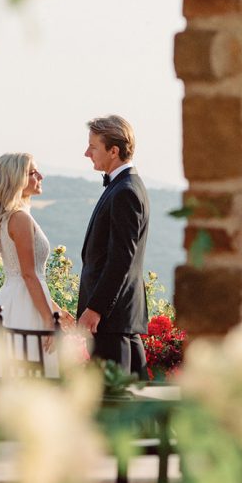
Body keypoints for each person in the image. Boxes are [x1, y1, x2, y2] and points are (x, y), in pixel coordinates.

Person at [0, 152, 72, 377]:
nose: (41, 176)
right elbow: (29, 276)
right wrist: (50, 321)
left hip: (21, 300)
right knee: (27, 373)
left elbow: (31, 277)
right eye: (33, 172)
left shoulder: (15, 216)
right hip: (24, 305)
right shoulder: (19, 218)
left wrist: (56, 310)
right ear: (16, 179)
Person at [77, 115, 150, 376]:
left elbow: (121, 259)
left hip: (111, 321)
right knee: (127, 406)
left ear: (114, 150)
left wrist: (95, 309)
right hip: (118, 321)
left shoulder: (125, 191)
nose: (87, 153)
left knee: (113, 407)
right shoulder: (123, 186)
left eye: (93, 146)